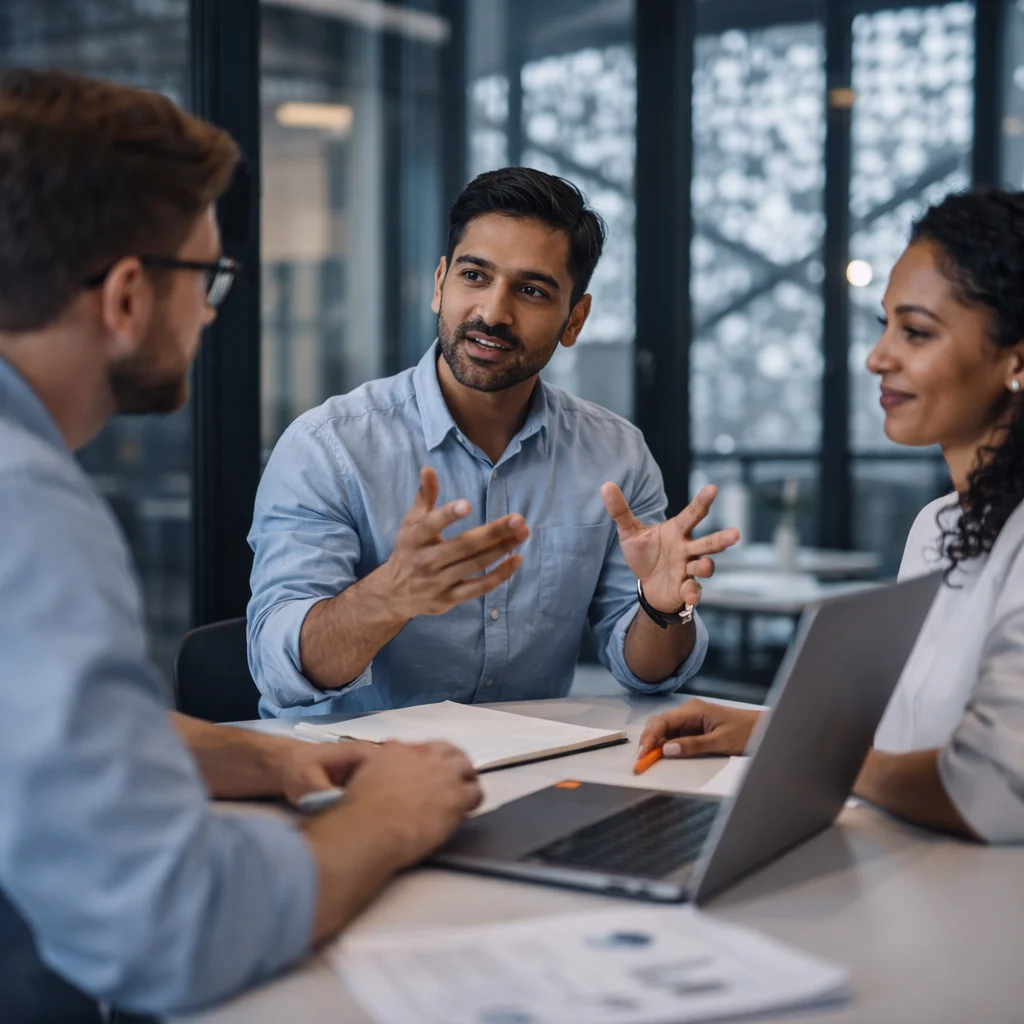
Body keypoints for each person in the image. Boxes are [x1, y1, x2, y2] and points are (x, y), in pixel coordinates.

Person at [0, 69, 482, 1022]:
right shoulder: (28, 511)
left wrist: (269, 762)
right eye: (206, 276)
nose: (214, 310)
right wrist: (386, 823)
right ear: (130, 294)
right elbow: (167, 927)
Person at [247, 167, 739, 717]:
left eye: (531, 290)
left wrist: (662, 610)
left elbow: (648, 675)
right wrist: (388, 597)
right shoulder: (327, 447)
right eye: (474, 276)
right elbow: (277, 669)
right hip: (348, 775)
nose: (493, 313)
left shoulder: (616, 457)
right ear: (440, 284)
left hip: (529, 773)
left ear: (574, 319)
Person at [637, 188, 1024, 844]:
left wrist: (806, 756)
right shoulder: (936, 526)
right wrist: (763, 730)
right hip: (909, 875)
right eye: (884, 326)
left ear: (1015, 358)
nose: (878, 358)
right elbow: (908, 733)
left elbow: (989, 788)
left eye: (917, 332)